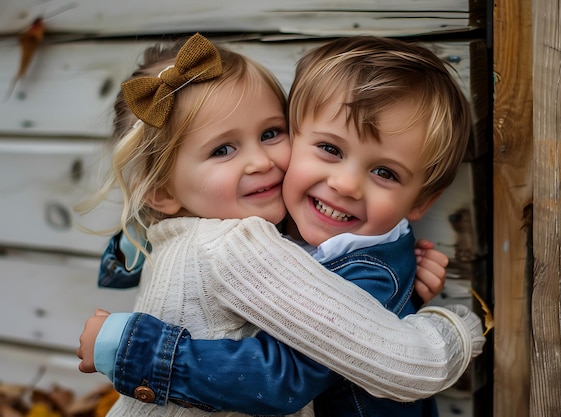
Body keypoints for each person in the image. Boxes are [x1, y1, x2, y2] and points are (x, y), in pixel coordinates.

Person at [76, 34, 485, 417]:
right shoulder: (240, 240)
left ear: (422, 201)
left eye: (271, 133)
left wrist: (135, 351)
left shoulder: (243, 239)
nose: (262, 161)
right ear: (161, 193)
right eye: (223, 149)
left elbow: (293, 370)